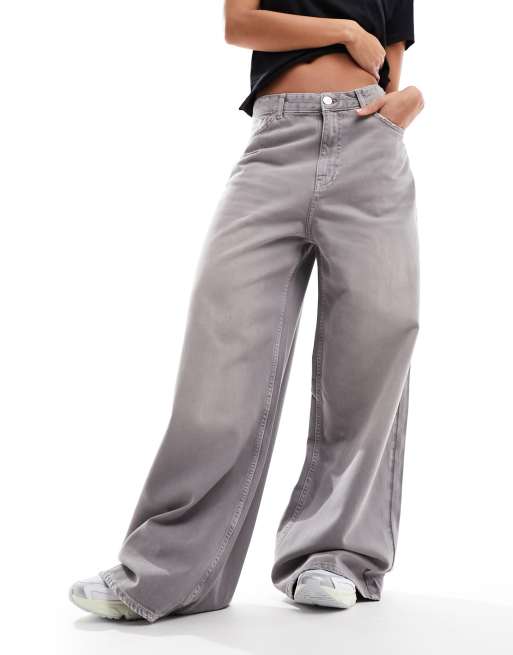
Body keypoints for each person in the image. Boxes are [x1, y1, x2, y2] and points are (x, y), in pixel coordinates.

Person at [70, 0, 424, 622]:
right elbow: (240, 24)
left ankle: (335, 558)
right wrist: (344, 31)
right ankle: (168, 570)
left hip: (370, 138)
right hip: (276, 141)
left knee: (371, 348)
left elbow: (391, 58)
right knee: (222, 353)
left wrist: (404, 106)